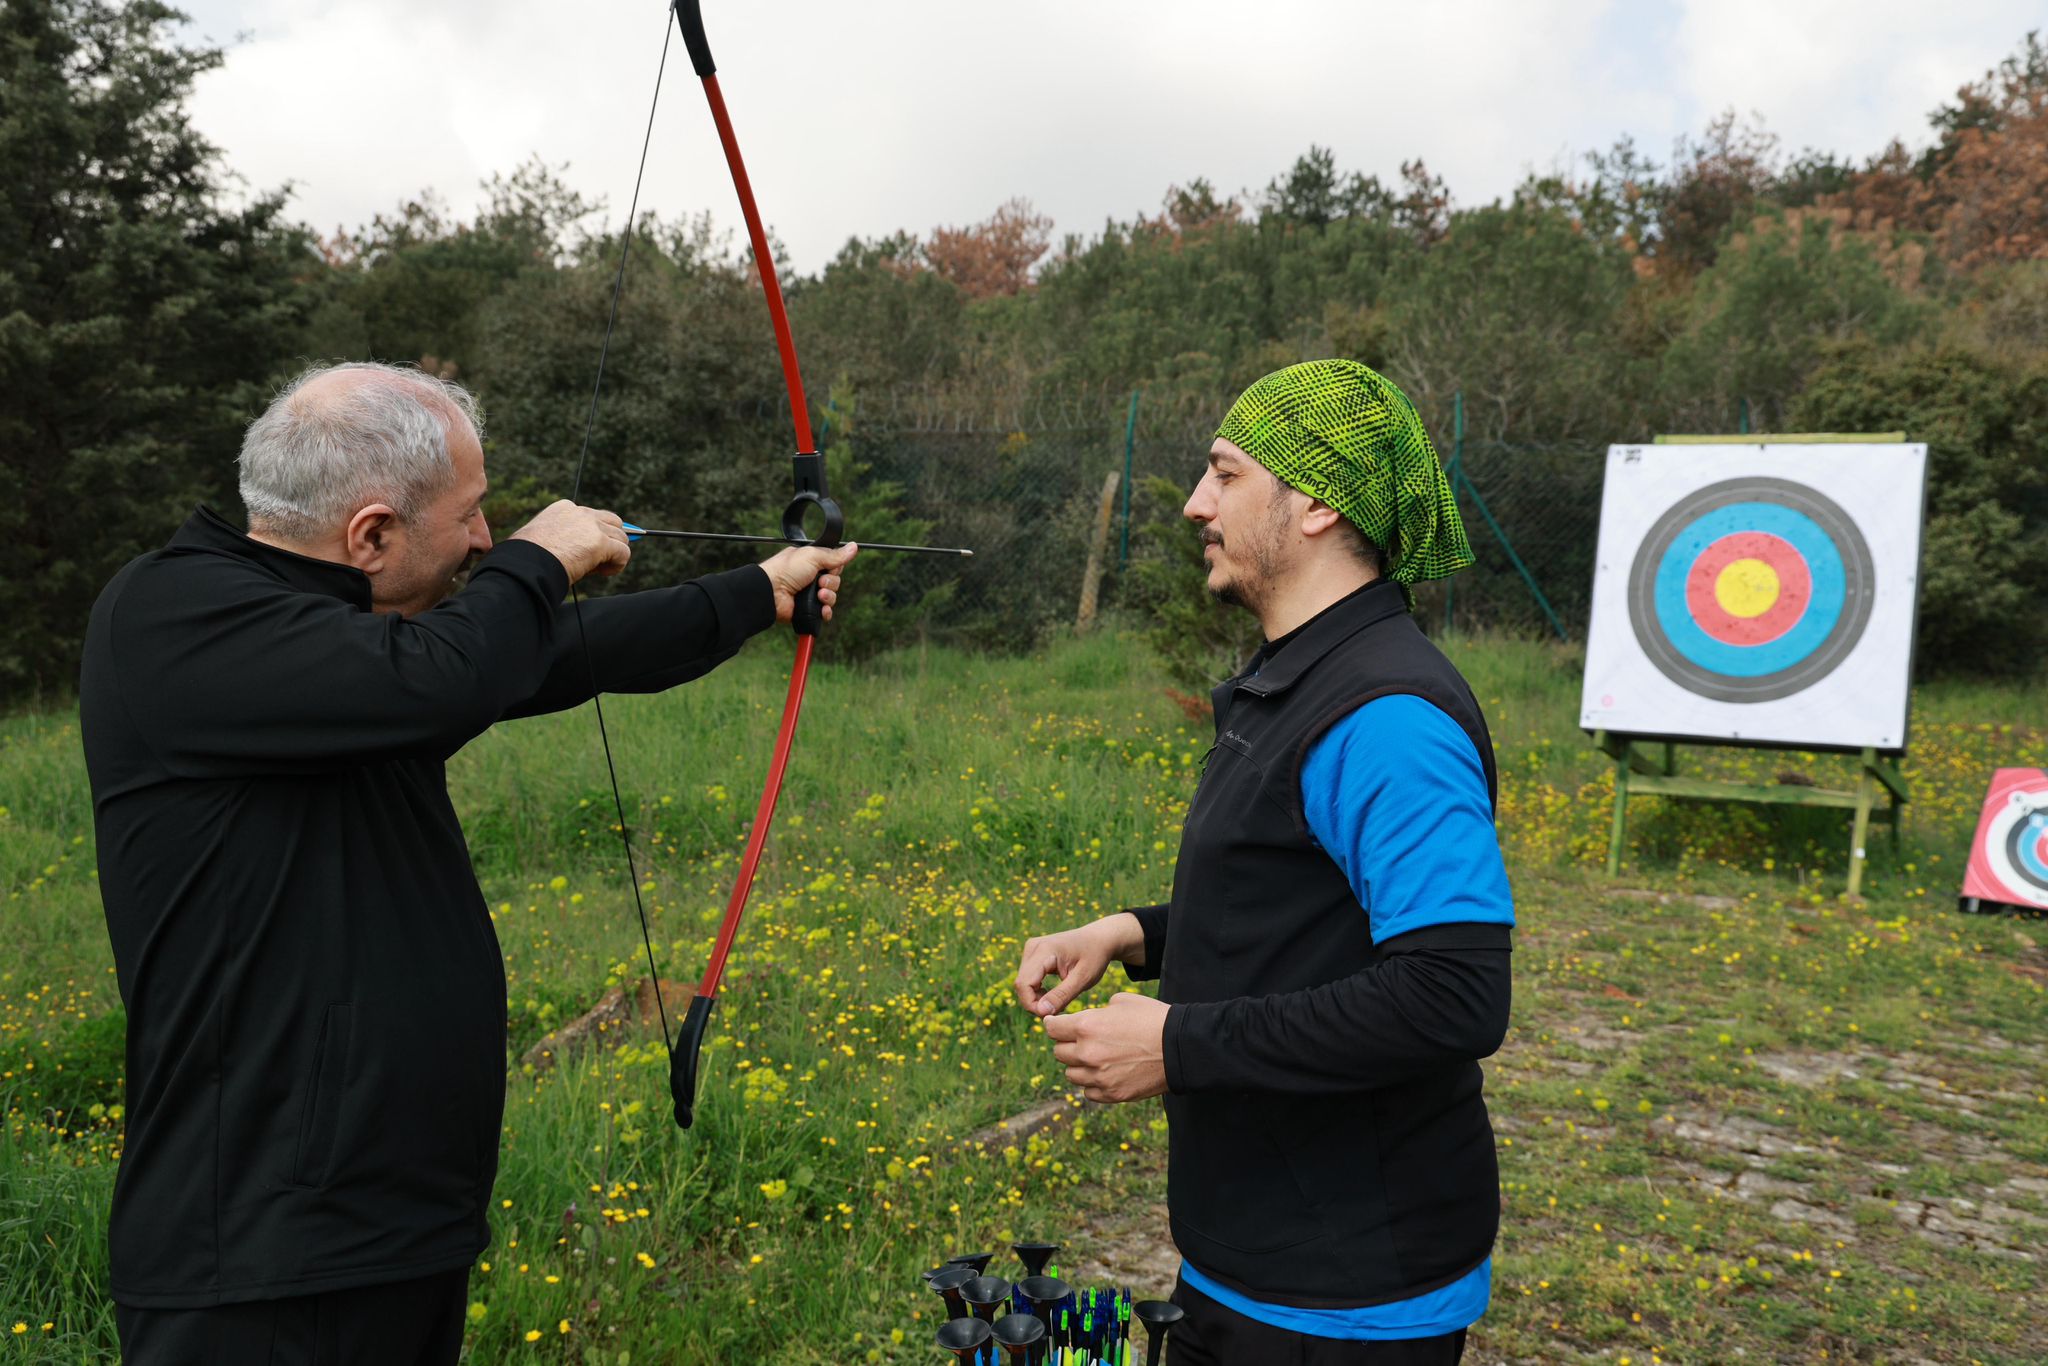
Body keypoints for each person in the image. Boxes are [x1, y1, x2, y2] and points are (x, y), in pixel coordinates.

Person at [80, 361, 855, 1364]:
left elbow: (551, 653)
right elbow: (453, 672)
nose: (488, 540)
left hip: (386, 1226)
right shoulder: (175, 614)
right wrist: (539, 560)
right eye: (474, 516)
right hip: (262, 1258)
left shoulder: (346, 638)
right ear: (371, 534)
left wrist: (757, 594)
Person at [1013, 360, 1514, 1365]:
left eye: (1225, 474)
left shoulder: (1386, 720)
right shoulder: (1299, 674)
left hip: (1341, 1293)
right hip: (1258, 1253)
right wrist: (1132, 933)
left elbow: (1454, 992)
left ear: (1319, 505)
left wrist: (1179, 1045)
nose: (1197, 503)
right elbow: (1296, 898)